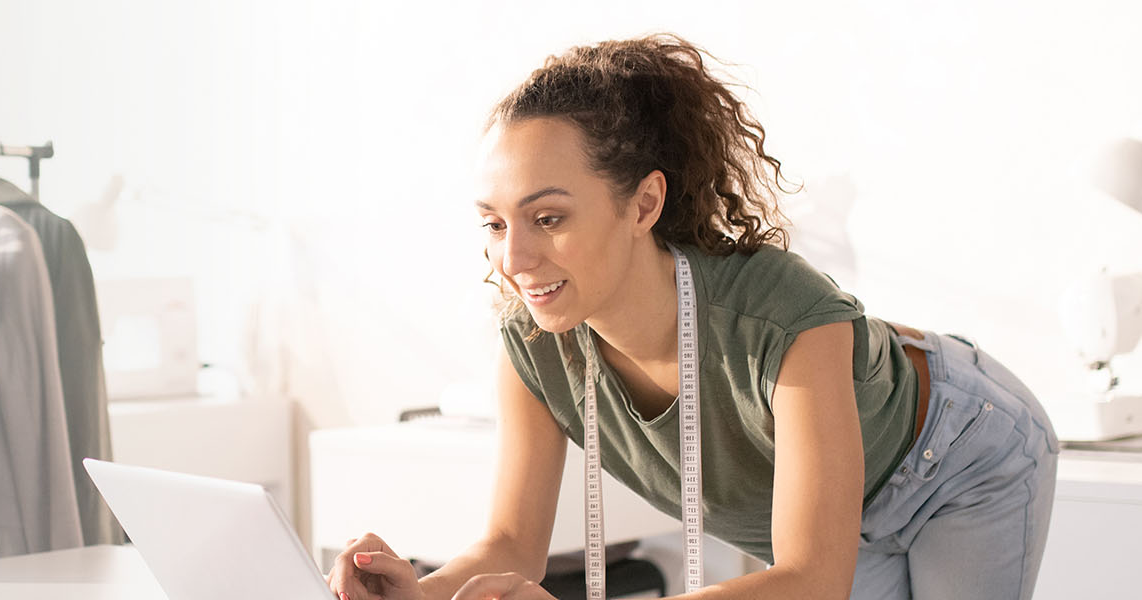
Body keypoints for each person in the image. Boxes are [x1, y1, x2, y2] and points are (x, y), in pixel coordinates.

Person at [326, 33, 1060, 600]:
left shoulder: (784, 320)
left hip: (958, 456)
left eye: (547, 216)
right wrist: (419, 592)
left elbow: (811, 580)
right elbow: (512, 544)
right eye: (493, 223)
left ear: (643, 203)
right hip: (835, 521)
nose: (512, 259)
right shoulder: (534, 348)